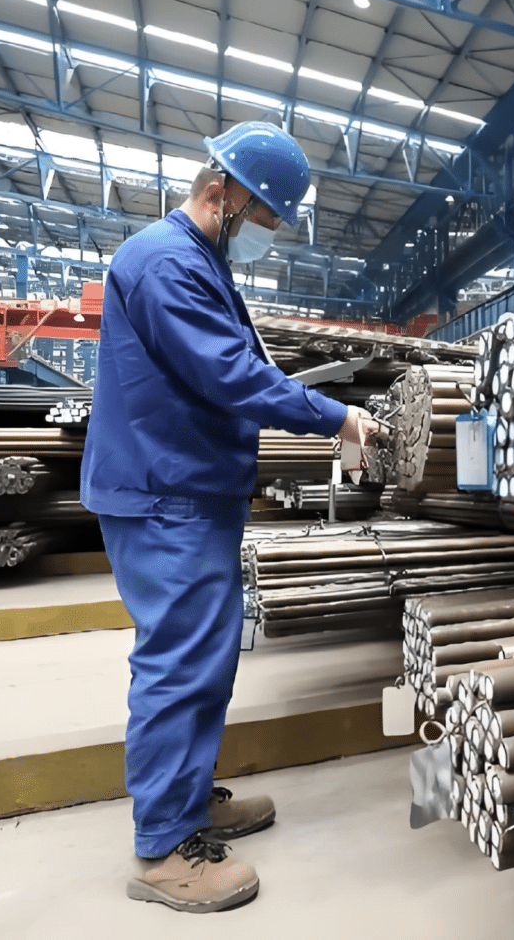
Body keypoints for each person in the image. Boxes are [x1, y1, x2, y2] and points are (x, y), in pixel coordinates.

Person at [80, 120, 377, 913]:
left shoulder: (202, 262)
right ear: (225, 194)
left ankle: (188, 798)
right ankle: (162, 850)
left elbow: (239, 369)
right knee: (178, 664)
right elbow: (231, 375)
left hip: (191, 492)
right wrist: (336, 418)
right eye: (265, 220)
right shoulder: (165, 261)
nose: (266, 239)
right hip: (161, 493)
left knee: (205, 660)